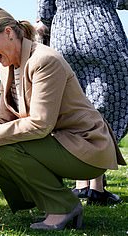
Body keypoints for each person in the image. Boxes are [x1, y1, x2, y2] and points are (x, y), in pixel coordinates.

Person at [0, 6, 126, 230]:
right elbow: (2, 121)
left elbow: (39, 124)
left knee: (1, 145)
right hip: (61, 143)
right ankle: (46, 203)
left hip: (86, 148)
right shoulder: (8, 66)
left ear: (8, 32)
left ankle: (63, 206)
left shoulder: (45, 60)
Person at [36, 0, 128, 205]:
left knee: (73, 104)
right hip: (100, 27)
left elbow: (45, 11)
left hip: (63, 33)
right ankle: (96, 186)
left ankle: (80, 185)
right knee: (105, 101)